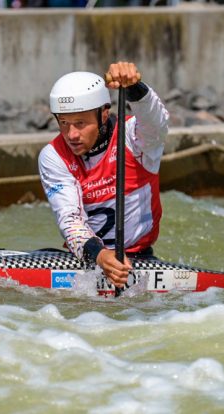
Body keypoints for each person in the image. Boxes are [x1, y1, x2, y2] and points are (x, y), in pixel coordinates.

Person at [38, 61, 169, 289]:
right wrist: (99, 255)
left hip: (138, 258)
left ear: (104, 113)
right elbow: (70, 219)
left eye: (80, 123)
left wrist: (134, 87)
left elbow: (156, 123)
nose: (71, 135)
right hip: (86, 257)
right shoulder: (53, 156)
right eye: (64, 123)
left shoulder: (133, 138)